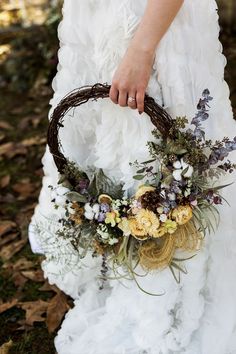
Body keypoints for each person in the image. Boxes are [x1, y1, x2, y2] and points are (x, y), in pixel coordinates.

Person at [28, 0, 236, 353]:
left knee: (155, 149)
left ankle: (163, 280)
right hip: (96, 19)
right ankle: (118, 259)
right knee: (108, 149)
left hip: (146, 22)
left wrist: (142, 48)